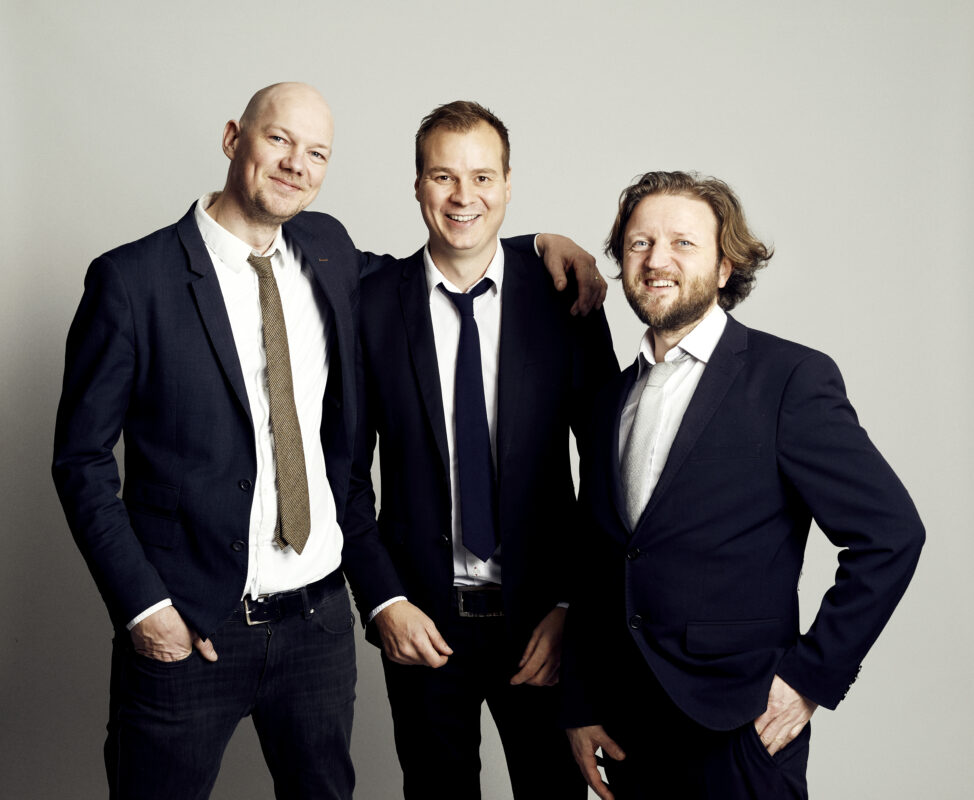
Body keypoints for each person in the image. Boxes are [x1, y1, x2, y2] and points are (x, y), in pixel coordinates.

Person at [51, 82, 605, 800]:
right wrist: (143, 607)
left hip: (341, 625)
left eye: (315, 152)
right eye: (278, 140)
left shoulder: (333, 251)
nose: (295, 164)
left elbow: (443, 270)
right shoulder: (136, 280)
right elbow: (81, 460)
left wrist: (538, 244)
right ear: (233, 139)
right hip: (207, 623)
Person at [562, 171, 925, 800]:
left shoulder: (790, 379)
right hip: (630, 728)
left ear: (725, 266)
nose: (657, 261)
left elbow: (892, 534)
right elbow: (601, 562)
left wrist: (810, 678)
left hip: (740, 726)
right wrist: (581, 700)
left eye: (683, 243)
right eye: (640, 244)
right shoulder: (606, 400)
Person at [341, 100, 620, 799]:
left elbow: (611, 471)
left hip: (544, 626)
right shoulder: (370, 305)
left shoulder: (566, 300)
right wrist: (382, 601)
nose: (464, 196)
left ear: (509, 183)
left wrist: (570, 608)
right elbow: (342, 474)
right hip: (423, 623)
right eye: (443, 176)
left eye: (482, 177)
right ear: (416, 186)